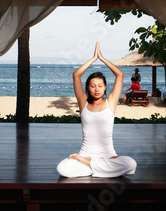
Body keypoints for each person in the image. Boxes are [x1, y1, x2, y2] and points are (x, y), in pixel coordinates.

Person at [56, 42, 137, 178]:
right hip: (84, 154)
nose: (97, 89)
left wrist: (102, 58)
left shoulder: (110, 102)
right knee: (62, 168)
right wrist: (93, 59)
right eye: (93, 86)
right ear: (88, 88)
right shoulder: (83, 103)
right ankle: (98, 167)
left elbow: (120, 75)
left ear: (105, 87)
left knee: (131, 164)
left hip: (108, 155)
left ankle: (90, 166)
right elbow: (76, 75)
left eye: (100, 85)